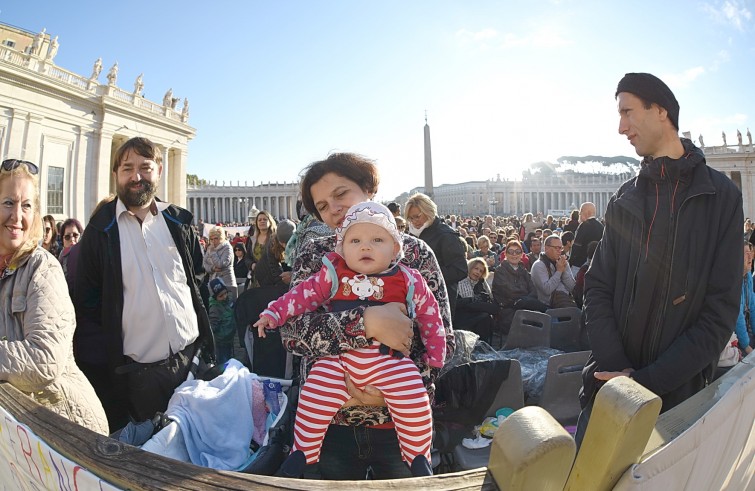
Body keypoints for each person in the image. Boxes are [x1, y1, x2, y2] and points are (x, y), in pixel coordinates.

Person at [576, 73, 743, 447]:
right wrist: (617, 371)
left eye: (628, 112)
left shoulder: (722, 198)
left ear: (661, 110)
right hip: (606, 390)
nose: (621, 128)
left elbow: (720, 314)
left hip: (676, 404)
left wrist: (645, 383)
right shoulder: (623, 198)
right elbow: (598, 286)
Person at [280, 153, 454, 480]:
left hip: (399, 429)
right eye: (320, 205)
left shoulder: (415, 253)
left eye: (340, 193)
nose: (332, 207)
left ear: (368, 190)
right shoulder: (314, 254)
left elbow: (443, 336)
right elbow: (292, 331)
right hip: (330, 424)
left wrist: (383, 391)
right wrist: (366, 323)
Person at [74, 137, 214, 432]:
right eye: (127, 168)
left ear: (159, 171)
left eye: (145, 167)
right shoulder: (98, 234)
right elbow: (86, 309)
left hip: (191, 361)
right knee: (154, 458)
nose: (136, 177)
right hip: (139, 378)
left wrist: (203, 343)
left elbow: (197, 283)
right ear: (116, 175)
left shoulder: (179, 224)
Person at [0, 158, 107, 434]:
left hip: (66, 435)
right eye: (8, 203)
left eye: (27, 206)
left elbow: (43, 358)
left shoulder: (43, 268)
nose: (17, 216)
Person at [405, 192, 468, 316]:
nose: (414, 221)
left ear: (428, 212)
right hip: (416, 299)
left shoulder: (446, 235)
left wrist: (428, 276)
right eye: (411, 218)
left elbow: (460, 269)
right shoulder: (413, 234)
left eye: (417, 216)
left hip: (440, 301)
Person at [492, 239, 549, 335]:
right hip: (509, 310)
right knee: (538, 311)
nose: (514, 254)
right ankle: (549, 312)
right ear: (506, 254)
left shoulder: (523, 270)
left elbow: (533, 290)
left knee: (536, 313)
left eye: (517, 252)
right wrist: (526, 298)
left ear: (522, 254)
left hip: (527, 306)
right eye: (511, 252)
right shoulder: (500, 271)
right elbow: (509, 292)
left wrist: (526, 299)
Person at [456, 257, 498, 344]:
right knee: (484, 317)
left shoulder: (481, 283)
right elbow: (467, 303)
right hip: (462, 315)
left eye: (481, 271)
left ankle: (482, 345)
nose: (478, 272)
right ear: (470, 268)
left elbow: (490, 300)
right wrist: (477, 303)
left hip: (478, 313)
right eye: (476, 269)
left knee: (486, 317)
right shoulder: (461, 280)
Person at [531, 235, 577, 308]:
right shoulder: (538, 265)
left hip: (566, 301)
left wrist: (563, 270)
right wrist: (559, 272)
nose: (559, 251)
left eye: (561, 248)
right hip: (548, 307)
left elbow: (572, 287)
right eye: (556, 248)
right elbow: (547, 290)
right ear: (546, 248)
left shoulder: (562, 262)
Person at [203, 225, 237, 300]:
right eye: (211, 239)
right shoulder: (210, 248)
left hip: (227, 284)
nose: (213, 241)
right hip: (213, 284)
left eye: (216, 238)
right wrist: (213, 268)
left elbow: (221, 264)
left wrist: (213, 252)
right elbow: (204, 264)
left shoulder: (227, 247)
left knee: (228, 310)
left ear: (221, 238)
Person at [568, 202, 604, 272]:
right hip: (595, 265)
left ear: (587, 212)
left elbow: (576, 246)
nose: (579, 214)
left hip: (579, 264)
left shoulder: (583, 226)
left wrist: (570, 262)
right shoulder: (601, 227)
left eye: (581, 211)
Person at [245, 210, 277, 289]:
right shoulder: (252, 239)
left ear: (270, 222)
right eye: (259, 220)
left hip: (272, 277)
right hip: (256, 277)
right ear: (256, 223)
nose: (262, 221)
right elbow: (247, 257)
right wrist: (251, 264)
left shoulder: (275, 238)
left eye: (265, 219)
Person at [208, 278, 236, 365]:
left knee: (231, 359)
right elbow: (212, 327)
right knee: (224, 363)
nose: (224, 297)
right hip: (221, 341)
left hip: (229, 338)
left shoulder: (228, 301)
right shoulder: (215, 309)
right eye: (220, 296)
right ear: (215, 297)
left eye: (225, 293)